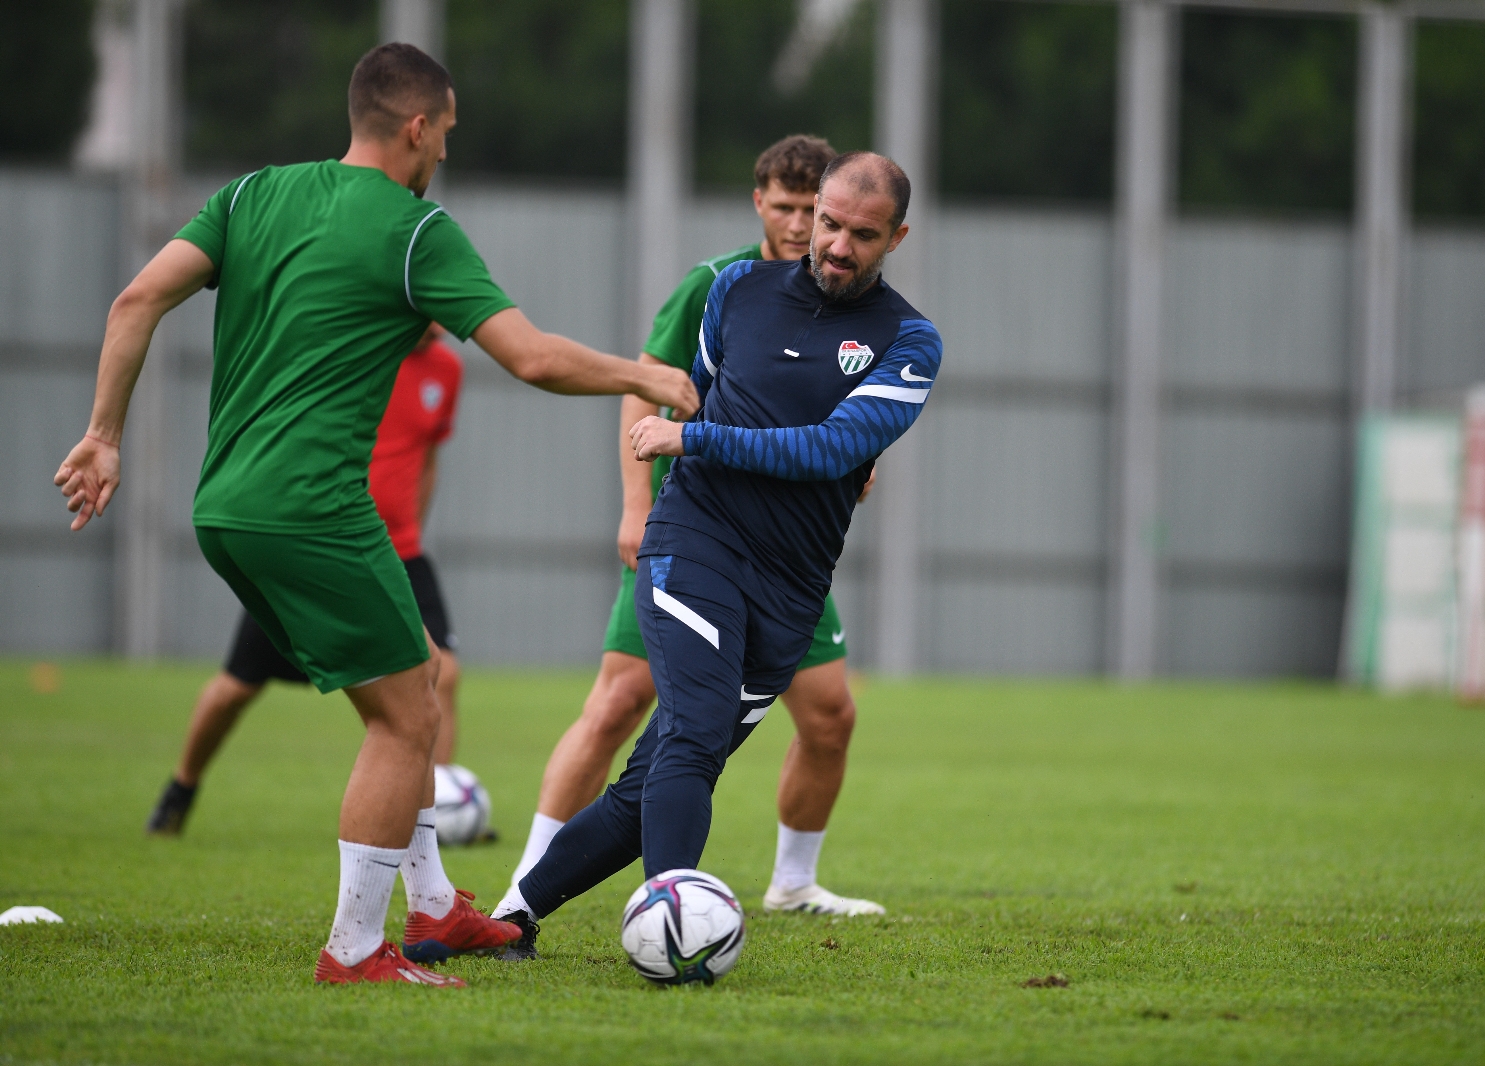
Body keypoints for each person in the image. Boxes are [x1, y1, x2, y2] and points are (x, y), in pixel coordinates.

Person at [53, 43, 697, 987]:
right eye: (445, 135)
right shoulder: (414, 230)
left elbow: (136, 297)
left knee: (416, 688)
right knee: (404, 721)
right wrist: (643, 372)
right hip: (314, 507)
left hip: (225, 507)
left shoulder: (247, 197)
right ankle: (354, 950)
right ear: (417, 128)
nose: (442, 153)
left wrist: (104, 434)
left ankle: (434, 903)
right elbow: (531, 357)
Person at [494, 151, 941, 961]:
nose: (834, 244)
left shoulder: (910, 340)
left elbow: (830, 448)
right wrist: (670, 459)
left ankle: (509, 919)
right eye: (827, 223)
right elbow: (692, 389)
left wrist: (692, 436)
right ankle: (672, 926)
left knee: (652, 779)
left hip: (791, 590)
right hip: (695, 540)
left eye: (861, 235)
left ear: (897, 237)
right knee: (693, 738)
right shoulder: (733, 290)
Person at [146, 323, 471, 837]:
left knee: (442, 674)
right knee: (236, 688)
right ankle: (181, 787)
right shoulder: (356, 344)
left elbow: (428, 457)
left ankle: (438, 812)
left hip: (400, 551)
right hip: (322, 550)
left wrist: (413, 527)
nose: (442, 319)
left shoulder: (447, 368)